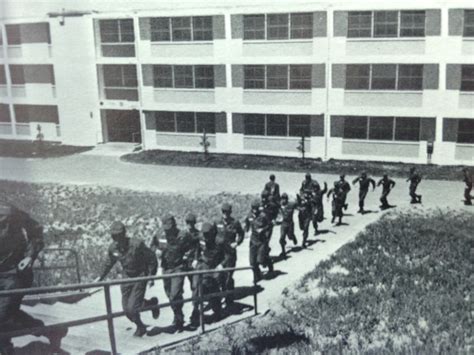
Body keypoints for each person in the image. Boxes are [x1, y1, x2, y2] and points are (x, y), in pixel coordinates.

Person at [0, 202, 67, 354]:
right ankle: (52, 331)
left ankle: (6, 350)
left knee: (2, 317)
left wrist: (30, 256)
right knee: (8, 314)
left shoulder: (9, 211)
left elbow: (36, 231)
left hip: (13, 273)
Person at [97, 221, 159, 337]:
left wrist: (151, 276)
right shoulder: (113, 248)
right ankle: (151, 304)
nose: (117, 238)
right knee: (126, 309)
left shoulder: (137, 244)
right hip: (126, 277)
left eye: (119, 235)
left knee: (132, 308)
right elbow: (108, 263)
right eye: (114, 236)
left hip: (140, 275)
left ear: (124, 234)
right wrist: (100, 277)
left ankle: (140, 327)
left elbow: (152, 258)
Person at [150, 214, 192, 332]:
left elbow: (193, 246)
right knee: (170, 295)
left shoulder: (183, 235)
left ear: (175, 225)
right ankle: (178, 315)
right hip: (166, 268)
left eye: (171, 227)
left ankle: (179, 319)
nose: (169, 230)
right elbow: (152, 246)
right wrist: (156, 250)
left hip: (178, 267)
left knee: (175, 294)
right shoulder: (159, 235)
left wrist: (187, 257)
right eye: (167, 228)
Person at [189, 222, 230, 328]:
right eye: (204, 234)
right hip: (202, 265)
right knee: (196, 287)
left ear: (212, 233)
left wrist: (222, 265)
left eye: (208, 235)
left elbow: (229, 254)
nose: (206, 237)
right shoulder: (201, 237)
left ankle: (217, 311)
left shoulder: (220, 241)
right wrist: (195, 259)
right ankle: (195, 312)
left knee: (212, 288)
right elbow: (197, 248)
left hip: (214, 267)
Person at [215, 203, 244, 308]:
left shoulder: (235, 223)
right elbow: (212, 235)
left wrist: (237, 242)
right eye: (223, 212)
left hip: (230, 254)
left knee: (228, 276)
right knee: (220, 276)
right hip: (219, 254)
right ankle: (224, 294)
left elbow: (241, 234)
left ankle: (229, 298)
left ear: (230, 212)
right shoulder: (217, 222)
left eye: (227, 212)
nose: (225, 214)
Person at [182, 213, 200, 323]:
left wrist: (196, 259)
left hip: (194, 263)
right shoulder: (182, 234)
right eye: (188, 223)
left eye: (191, 223)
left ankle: (195, 310)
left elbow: (199, 248)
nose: (190, 225)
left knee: (195, 286)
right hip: (184, 263)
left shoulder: (198, 234)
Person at [277, 193, 297, 258]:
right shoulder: (280, 205)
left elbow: (298, 204)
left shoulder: (291, 204)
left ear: (287, 199)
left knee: (290, 237)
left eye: (285, 199)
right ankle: (283, 252)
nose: (283, 200)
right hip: (283, 224)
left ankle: (293, 237)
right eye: (282, 199)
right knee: (281, 238)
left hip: (290, 223)